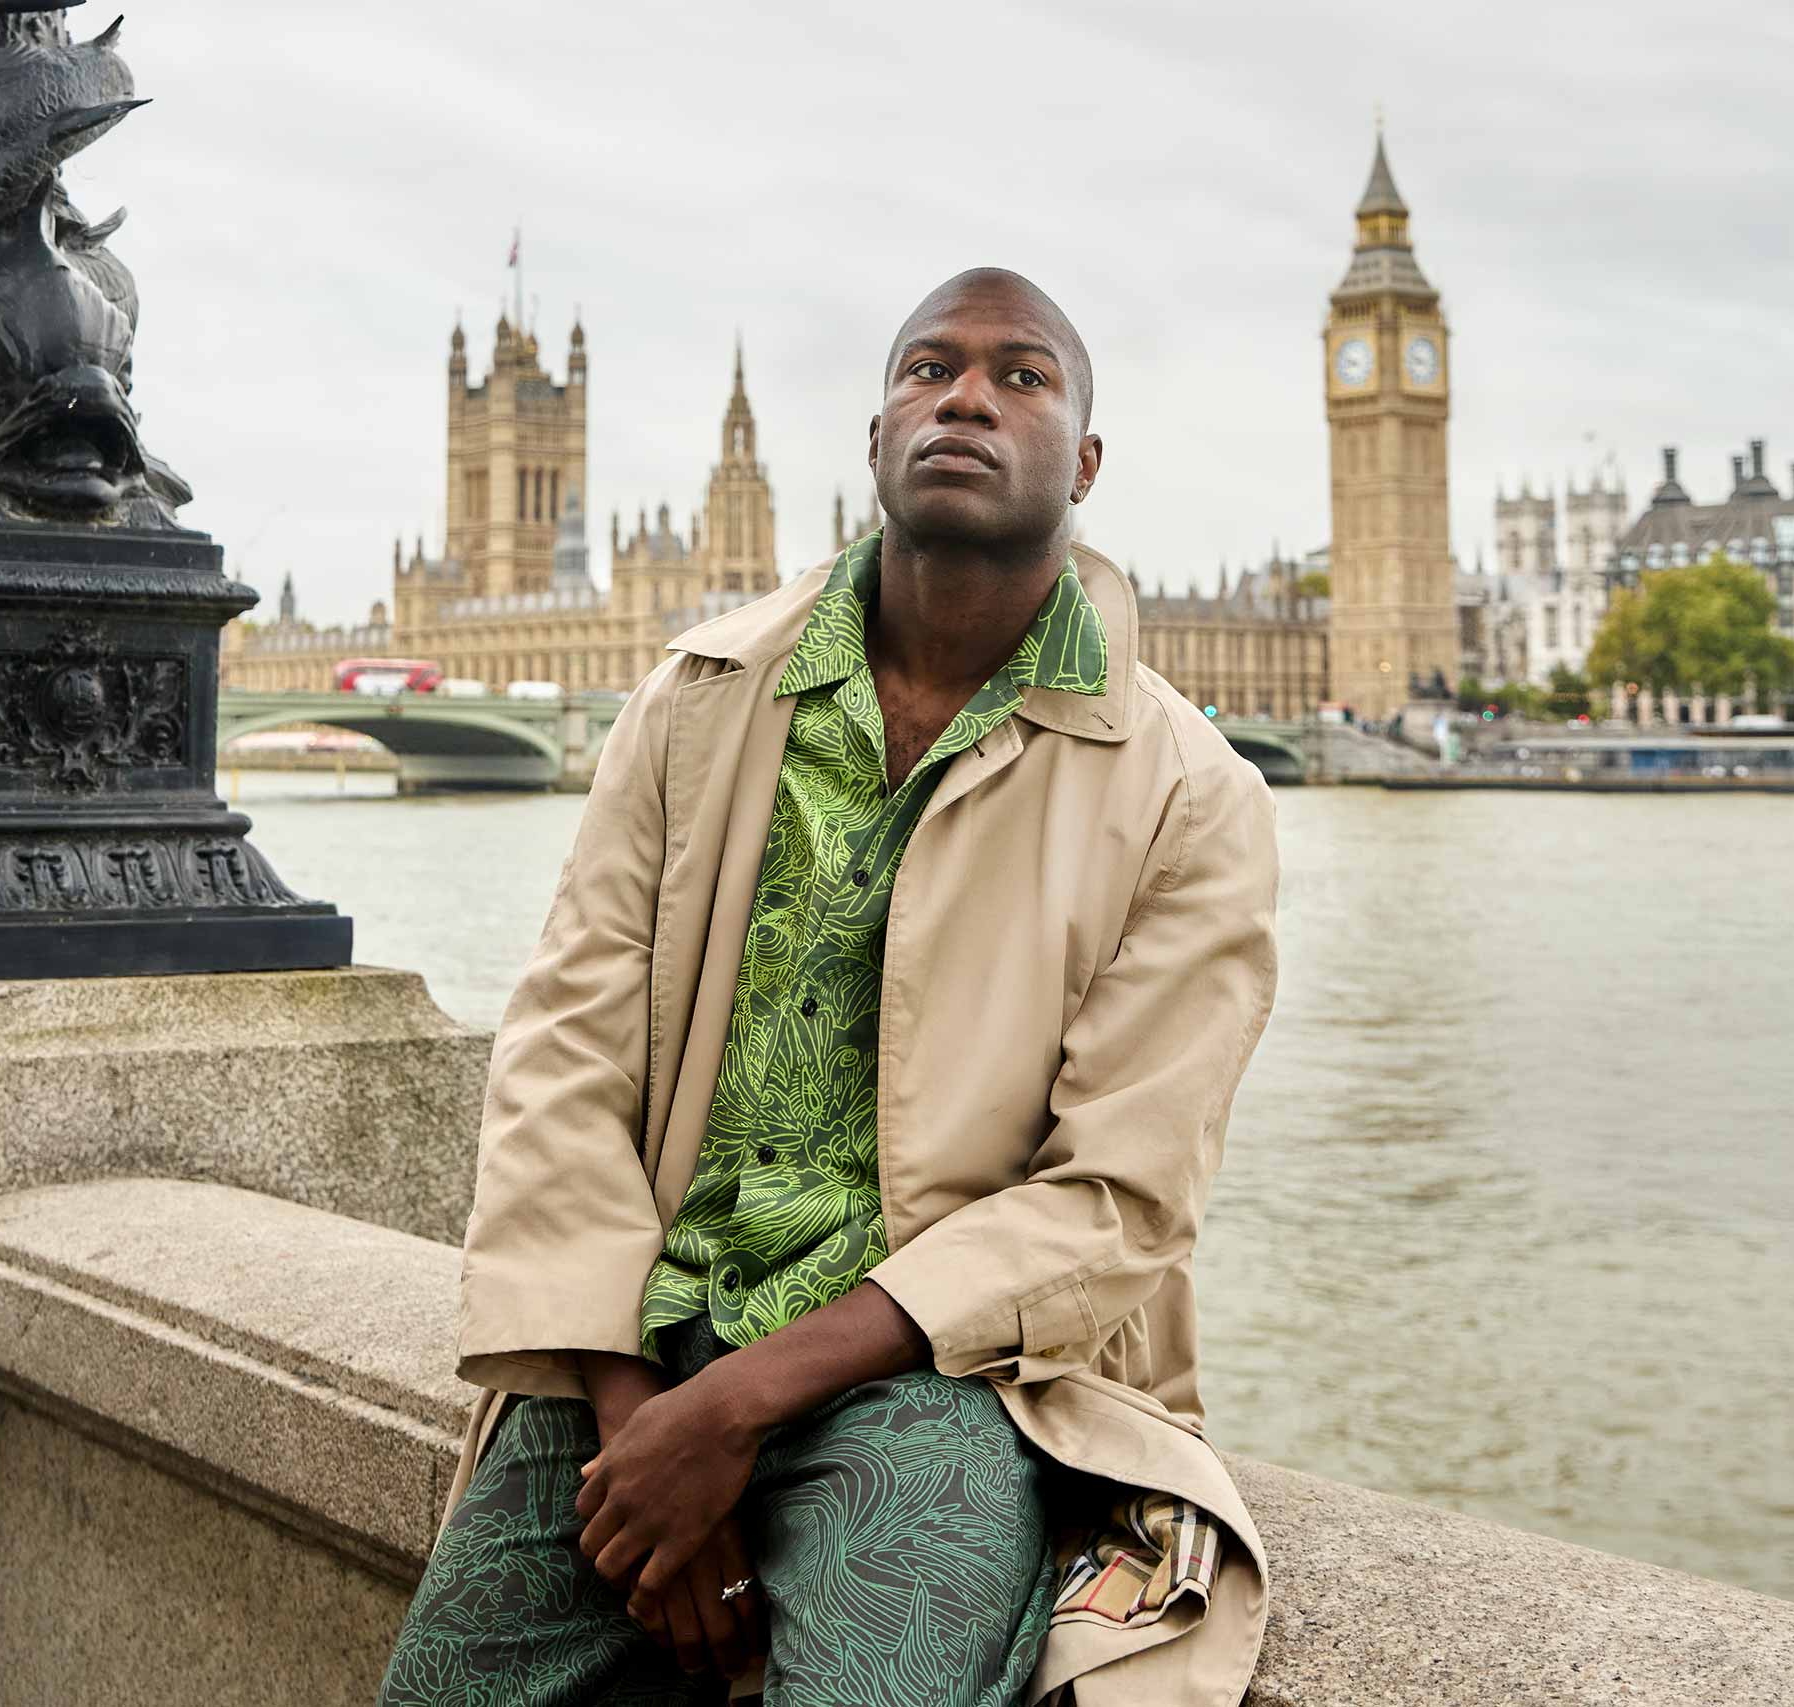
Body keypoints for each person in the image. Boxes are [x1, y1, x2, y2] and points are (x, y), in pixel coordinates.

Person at [379, 269, 1279, 1707]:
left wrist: (736, 1406)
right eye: (929, 368)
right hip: (643, 1345)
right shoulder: (692, 700)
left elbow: (1123, 1201)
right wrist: (640, 1414)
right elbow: (559, 1056)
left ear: (1087, 464)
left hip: (955, 1374)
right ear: (875, 438)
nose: (969, 395)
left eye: (1023, 376)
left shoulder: (1193, 795)